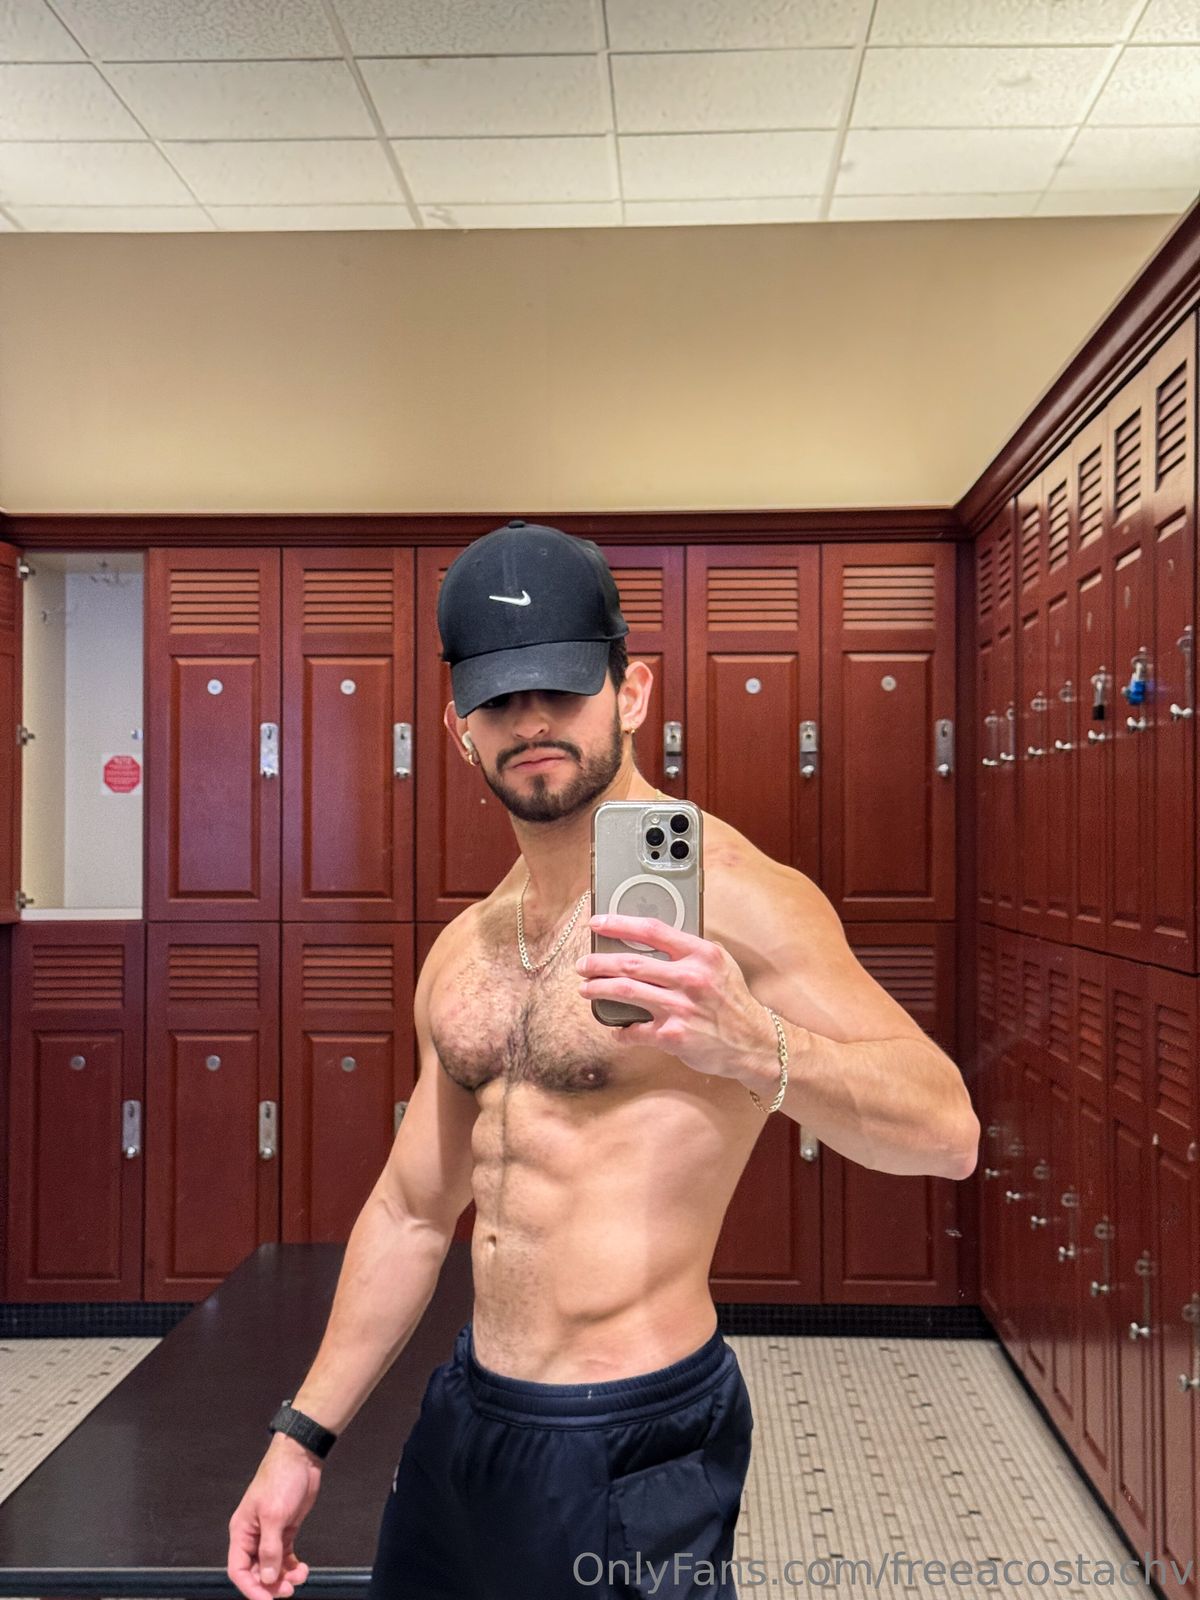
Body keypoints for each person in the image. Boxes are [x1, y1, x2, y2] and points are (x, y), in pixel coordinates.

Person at [227, 519, 980, 1600]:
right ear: (459, 728)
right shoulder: (465, 949)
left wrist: (758, 1045)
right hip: (470, 1414)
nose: (531, 721)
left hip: (636, 1430)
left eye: (563, 687)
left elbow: (948, 1133)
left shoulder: (737, 900)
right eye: (500, 698)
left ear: (632, 694)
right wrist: (301, 1436)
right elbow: (412, 1212)